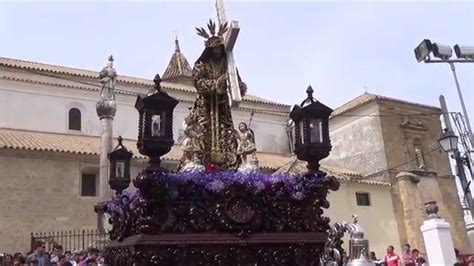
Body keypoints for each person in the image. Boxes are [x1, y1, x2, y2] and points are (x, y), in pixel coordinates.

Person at [188, 20, 247, 170]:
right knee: (202, 134)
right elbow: (197, 81)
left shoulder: (228, 64)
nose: (216, 52)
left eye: (218, 48)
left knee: (226, 133)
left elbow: (235, 81)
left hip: (221, 106)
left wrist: (239, 87)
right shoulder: (201, 64)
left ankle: (229, 163)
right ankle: (200, 162)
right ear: (209, 50)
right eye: (213, 49)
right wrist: (215, 84)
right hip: (206, 105)